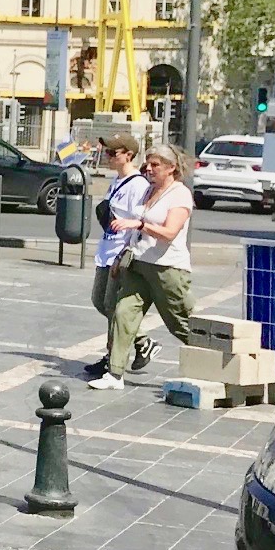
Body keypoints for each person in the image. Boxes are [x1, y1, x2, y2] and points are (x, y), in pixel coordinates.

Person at [89, 141, 196, 390]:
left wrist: (138, 225)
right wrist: (121, 257)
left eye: (155, 164)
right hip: (139, 263)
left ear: (170, 168)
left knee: (179, 323)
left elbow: (169, 232)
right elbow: (137, 231)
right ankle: (115, 374)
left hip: (168, 268)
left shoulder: (179, 194)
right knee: (122, 312)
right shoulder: (149, 191)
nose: (148, 168)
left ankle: (213, 359)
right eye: (148, 164)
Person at [85, 132, 155, 381]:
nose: (108, 157)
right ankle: (140, 341)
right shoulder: (117, 181)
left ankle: (113, 359)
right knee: (100, 301)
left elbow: (142, 221)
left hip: (120, 253)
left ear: (129, 155)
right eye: (107, 152)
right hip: (106, 250)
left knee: (112, 306)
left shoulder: (138, 185)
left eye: (113, 153)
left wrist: (127, 252)